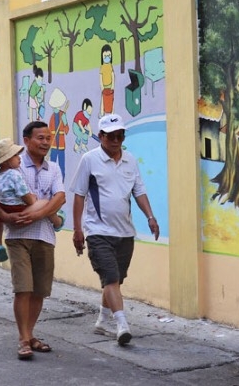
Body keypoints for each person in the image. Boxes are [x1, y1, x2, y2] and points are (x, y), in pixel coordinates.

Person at [70, 113, 160, 346]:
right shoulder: (89, 160)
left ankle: (102, 321)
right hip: (98, 231)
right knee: (110, 276)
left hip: (125, 233)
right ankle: (122, 324)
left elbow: (139, 192)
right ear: (100, 136)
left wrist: (150, 217)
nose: (116, 140)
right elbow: (79, 196)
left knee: (114, 281)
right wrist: (78, 230)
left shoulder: (130, 160)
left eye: (120, 135)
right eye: (111, 136)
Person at [0, 122, 66, 360]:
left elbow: (60, 197)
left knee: (39, 291)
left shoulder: (54, 169)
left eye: (48, 137)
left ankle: (30, 335)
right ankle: (23, 340)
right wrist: (6, 215)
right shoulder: (13, 168)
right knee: (23, 289)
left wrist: (40, 214)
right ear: (27, 141)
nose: (45, 142)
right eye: (40, 137)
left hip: (45, 236)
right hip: (18, 237)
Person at [0, 138, 64, 264]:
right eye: (15, 156)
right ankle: (57, 221)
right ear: (7, 161)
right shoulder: (14, 175)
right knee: (45, 203)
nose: (19, 157)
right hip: (18, 208)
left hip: (2, 208)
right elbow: (24, 194)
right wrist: (32, 199)